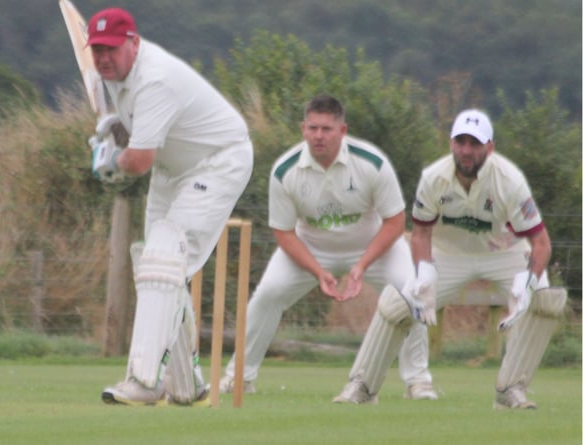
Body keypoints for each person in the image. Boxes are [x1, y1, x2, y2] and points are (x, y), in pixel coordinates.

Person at [85, 7, 253, 406]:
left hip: (218, 160)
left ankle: (143, 380)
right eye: (97, 50)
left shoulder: (155, 78)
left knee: (163, 251)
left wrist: (111, 161)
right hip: (171, 168)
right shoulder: (108, 78)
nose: (104, 58)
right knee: (158, 265)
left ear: (134, 43)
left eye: (111, 49)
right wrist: (115, 134)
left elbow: (137, 161)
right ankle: (185, 383)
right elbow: (137, 134)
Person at [220, 95, 437, 401]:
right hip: (311, 248)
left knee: (411, 291)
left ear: (342, 130)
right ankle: (239, 377)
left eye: (326, 129)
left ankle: (418, 381)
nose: (319, 136)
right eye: (313, 128)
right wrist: (319, 271)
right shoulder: (285, 171)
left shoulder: (371, 162)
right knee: (268, 294)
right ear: (303, 129)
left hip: (372, 246)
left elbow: (395, 221)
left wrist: (360, 266)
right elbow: (283, 231)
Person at [408, 108, 567, 409]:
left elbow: (541, 243)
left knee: (539, 300)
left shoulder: (510, 179)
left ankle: (511, 388)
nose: (467, 150)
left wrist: (529, 281)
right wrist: (423, 271)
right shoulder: (432, 177)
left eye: (475, 143)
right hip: (450, 255)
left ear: (489, 147)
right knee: (408, 299)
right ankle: (414, 381)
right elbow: (419, 234)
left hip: (504, 252)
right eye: (461, 141)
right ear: (451, 143)